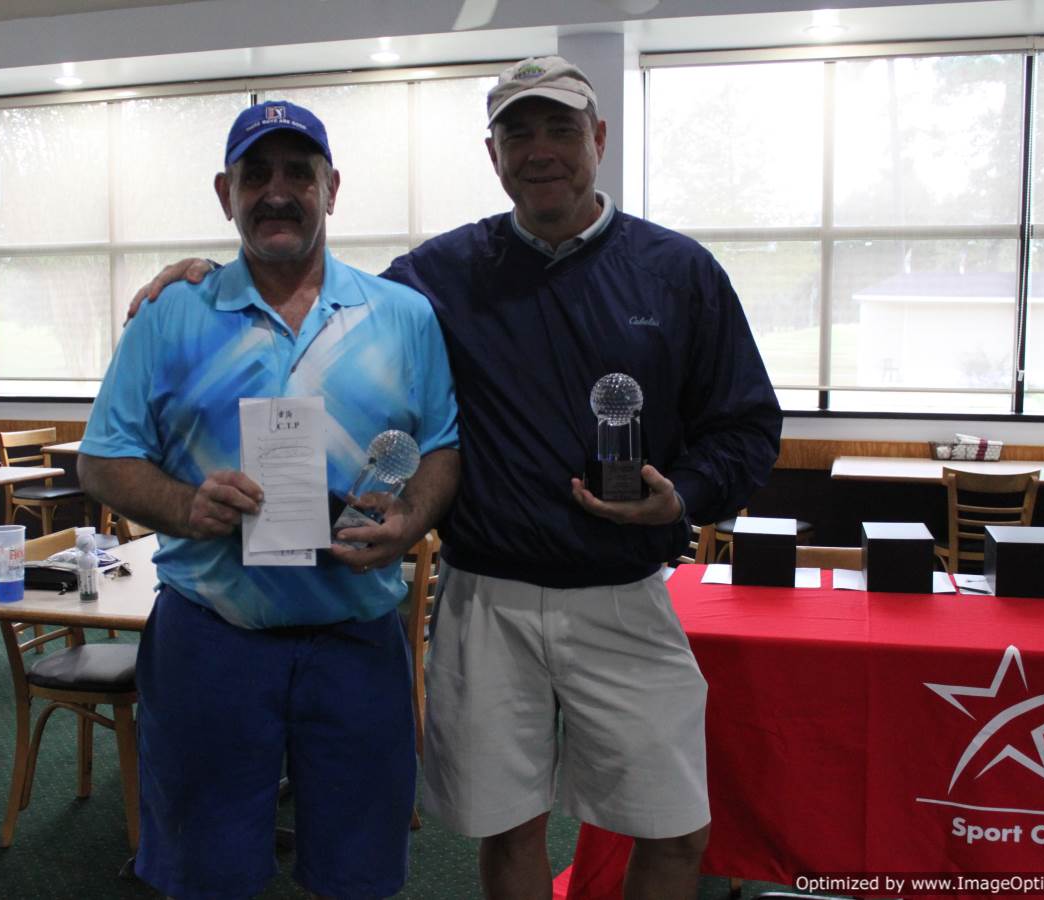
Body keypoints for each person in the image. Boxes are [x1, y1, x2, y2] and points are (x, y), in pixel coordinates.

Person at [131, 57, 781, 900]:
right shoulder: (437, 277)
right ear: (493, 153)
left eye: (560, 128)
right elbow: (314, 287)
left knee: (675, 826)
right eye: (519, 132)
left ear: (600, 139)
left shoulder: (679, 272)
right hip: (487, 597)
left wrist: (685, 493)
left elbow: (749, 426)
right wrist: (202, 277)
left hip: (624, 591)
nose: (540, 149)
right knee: (505, 824)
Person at [77, 100, 460, 900]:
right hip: (211, 638)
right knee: (205, 871)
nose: (277, 192)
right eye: (257, 175)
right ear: (226, 193)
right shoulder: (170, 313)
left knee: (358, 873)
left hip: (356, 634)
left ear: (332, 187)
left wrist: (412, 518)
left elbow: (442, 450)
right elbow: (104, 462)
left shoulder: (402, 316)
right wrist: (185, 506)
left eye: (298, 173)